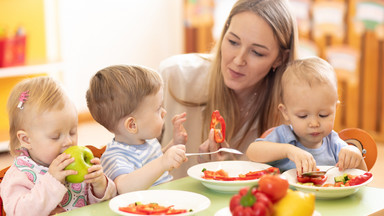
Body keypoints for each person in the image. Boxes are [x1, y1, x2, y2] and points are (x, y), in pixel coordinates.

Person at [159, 0, 299, 178]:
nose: (239, 60)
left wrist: (230, 174)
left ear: (280, 58)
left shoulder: (294, 112)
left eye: (257, 52)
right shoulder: (173, 76)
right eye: (233, 42)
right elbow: (131, 161)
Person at [0, 76, 117, 216]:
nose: (68, 142)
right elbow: (19, 213)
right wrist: (52, 182)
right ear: (26, 140)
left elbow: (106, 205)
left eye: (72, 132)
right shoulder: (20, 175)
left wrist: (99, 185)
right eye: (55, 137)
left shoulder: (75, 163)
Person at [246, 57, 368, 175]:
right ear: (285, 112)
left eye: (323, 115)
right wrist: (288, 151)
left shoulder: (333, 143)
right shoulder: (283, 136)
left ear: (335, 109)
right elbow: (252, 151)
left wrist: (355, 154)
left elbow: (363, 175)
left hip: (326, 195)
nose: (314, 123)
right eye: (303, 116)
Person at [86, 65, 187, 194]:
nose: (164, 112)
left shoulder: (148, 142)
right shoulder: (115, 156)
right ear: (132, 125)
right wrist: (163, 162)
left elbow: (155, 166)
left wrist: (175, 145)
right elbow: (123, 188)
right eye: (158, 109)